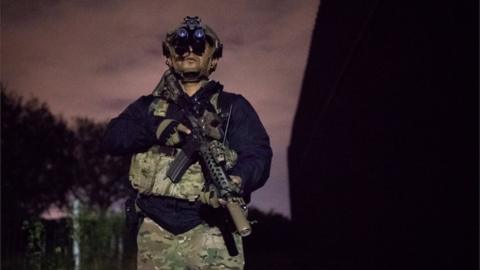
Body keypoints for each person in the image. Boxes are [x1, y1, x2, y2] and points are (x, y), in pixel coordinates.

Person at [102, 16, 272, 270]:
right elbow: (112, 137)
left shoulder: (232, 107)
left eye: (200, 46)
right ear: (169, 58)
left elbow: (258, 155)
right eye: (181, 47)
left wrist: (235, 180)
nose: (189, 51)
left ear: (213, 59)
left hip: (213, 229)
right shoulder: (147, 107)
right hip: (155, 231)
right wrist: (155, 128)